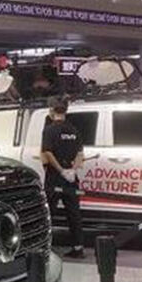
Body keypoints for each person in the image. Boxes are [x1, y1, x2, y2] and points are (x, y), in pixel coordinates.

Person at [41, 97, 85, 259]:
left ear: (52, 110)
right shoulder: (73, 130)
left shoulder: (50, 130)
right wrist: (72, 170)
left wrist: (61, 170)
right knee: (74, 213)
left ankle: (45, 247)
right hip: (71, 178)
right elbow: (80, 153)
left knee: (49, 213)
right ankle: (78, 248)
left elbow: (47, 152)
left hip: (55, 177)